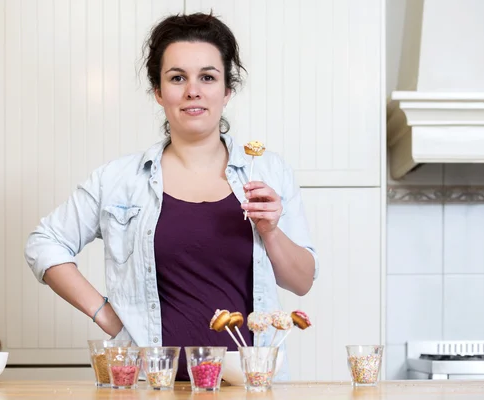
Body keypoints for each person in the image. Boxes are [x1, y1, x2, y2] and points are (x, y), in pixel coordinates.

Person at [24, 12, 318, 381]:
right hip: (151, 383)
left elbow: (302, 282)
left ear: (227, 91)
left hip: (250, 383)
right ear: (159, 92)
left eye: (207, 77)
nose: (193, 90)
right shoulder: (118, 180)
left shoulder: (269, 173)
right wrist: (109, 317)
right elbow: (44, 243)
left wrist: (271, 231)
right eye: (177, 78)